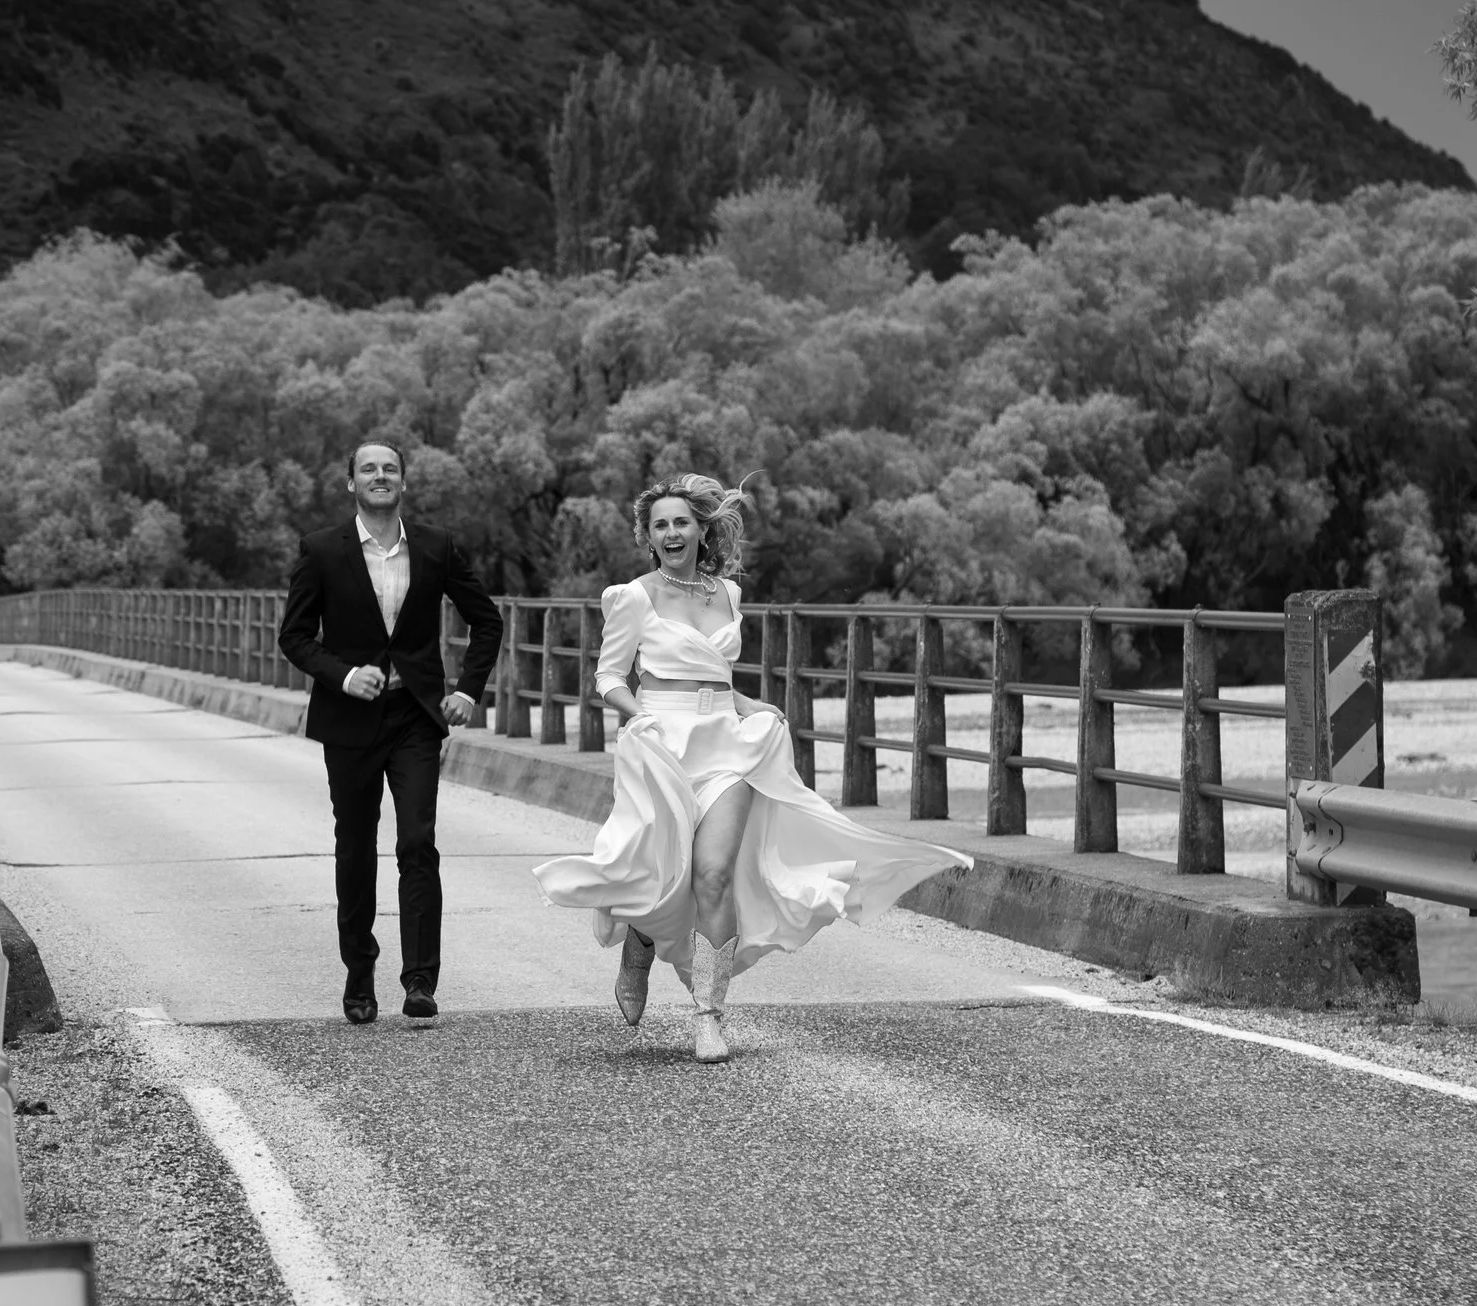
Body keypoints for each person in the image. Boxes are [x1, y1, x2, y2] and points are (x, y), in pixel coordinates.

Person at [532, 473, 971, 1063]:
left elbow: (714, 675)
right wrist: (640, 717)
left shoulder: (728, 594)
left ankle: (708, 1017)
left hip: (726, 748)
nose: (670, 533)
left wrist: (746, 704)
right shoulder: (632, 596)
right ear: (648, 535)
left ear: (700, 529)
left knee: (713, 873)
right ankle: (637, 942)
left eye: (680, 522)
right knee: (659, 869)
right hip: (662, 743)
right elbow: (608, 678)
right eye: (659, 524)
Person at [279, 438, 503, 1026]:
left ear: (404, 482)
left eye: (390, 469)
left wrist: (467, 690)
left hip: (415, 719)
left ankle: (420, 981)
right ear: (350, 483)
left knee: (417, 843)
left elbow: (487, 620)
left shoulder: (436, 546)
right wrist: (344, 674)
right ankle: (359, 977)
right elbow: (295, 637)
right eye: (368, 469)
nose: (380, 476)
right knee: (355, 849)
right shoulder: (322, 550)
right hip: (349, 720)